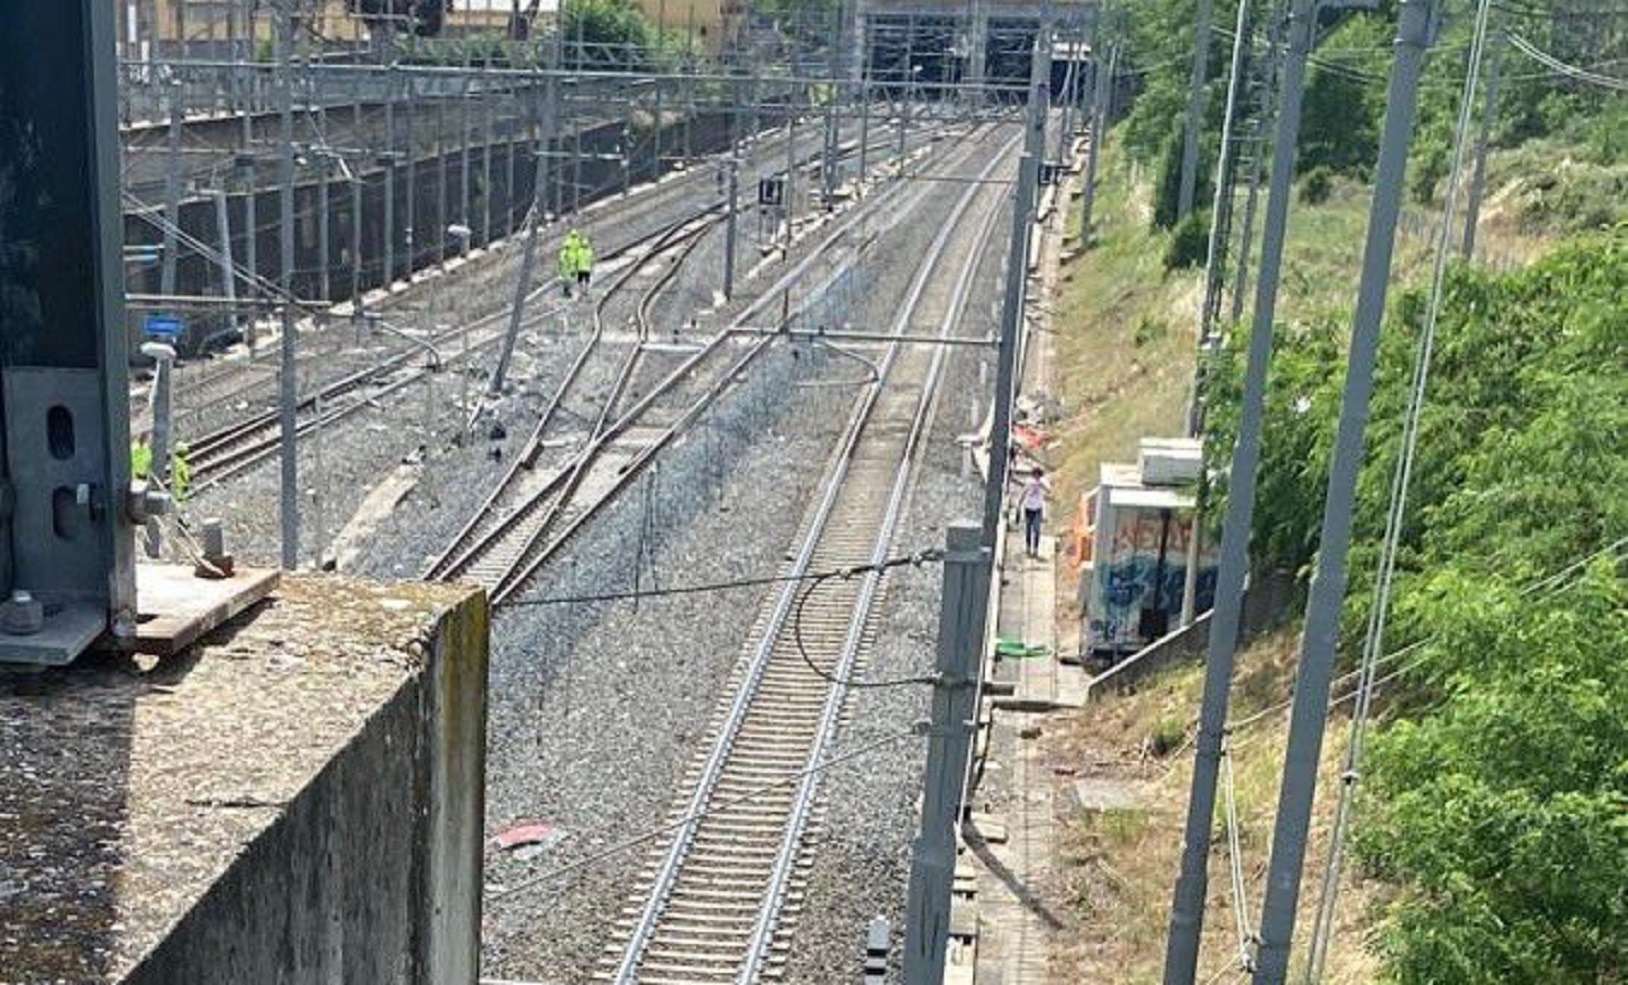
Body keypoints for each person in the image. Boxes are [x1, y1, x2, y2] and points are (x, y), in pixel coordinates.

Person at [1020, 466, 1050, 559]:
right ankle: (1028, 547)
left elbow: (1049, 490)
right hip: (1028, 507)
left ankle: (1036, 549)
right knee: (1028, 529)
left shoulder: (1043, 481)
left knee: (1037, 529)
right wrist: (1020, 503)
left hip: (1037, 508)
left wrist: (1041, 485)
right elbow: (1024, 492)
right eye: (1035, 475)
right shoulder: (1029, 482)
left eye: (1038, 475)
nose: (1036, 477)